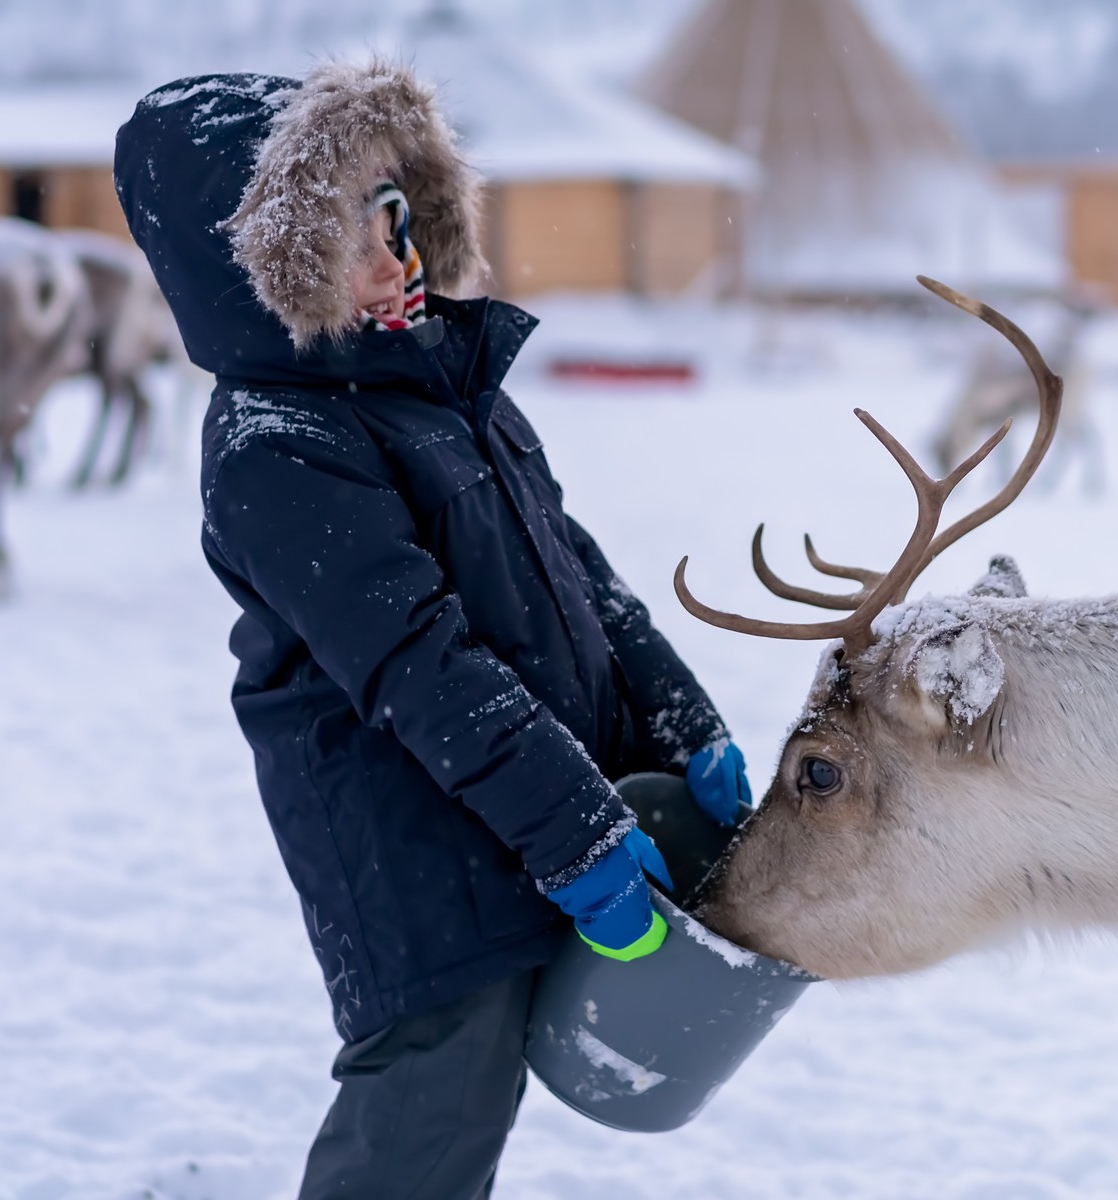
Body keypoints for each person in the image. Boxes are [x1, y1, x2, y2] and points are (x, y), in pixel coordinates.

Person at [113, 59, 752, 1198]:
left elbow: (578, 575)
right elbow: (424, 664)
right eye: (349, 239)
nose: (394, 259)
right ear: (263, 272)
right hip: (406, 849)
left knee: (466, 1121)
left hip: (513, 807)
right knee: (427, 1116)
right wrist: (578, 836)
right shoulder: (276, 444)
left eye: (396, 218)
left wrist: (675, 721)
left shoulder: (437, 388)